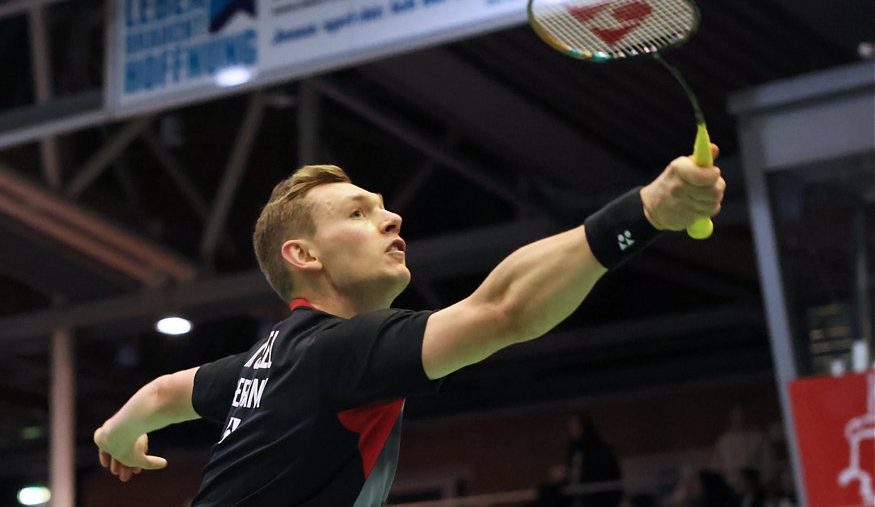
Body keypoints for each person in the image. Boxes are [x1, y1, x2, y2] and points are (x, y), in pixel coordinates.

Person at [94, 148, 725, 506]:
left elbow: (165, 394)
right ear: (304, 256)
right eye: (359, 213)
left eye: (383, 206)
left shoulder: (267, 363)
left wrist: (117, 434)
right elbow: (505, 310)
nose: (392, 217)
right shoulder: (335, 352)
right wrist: (643, 213)